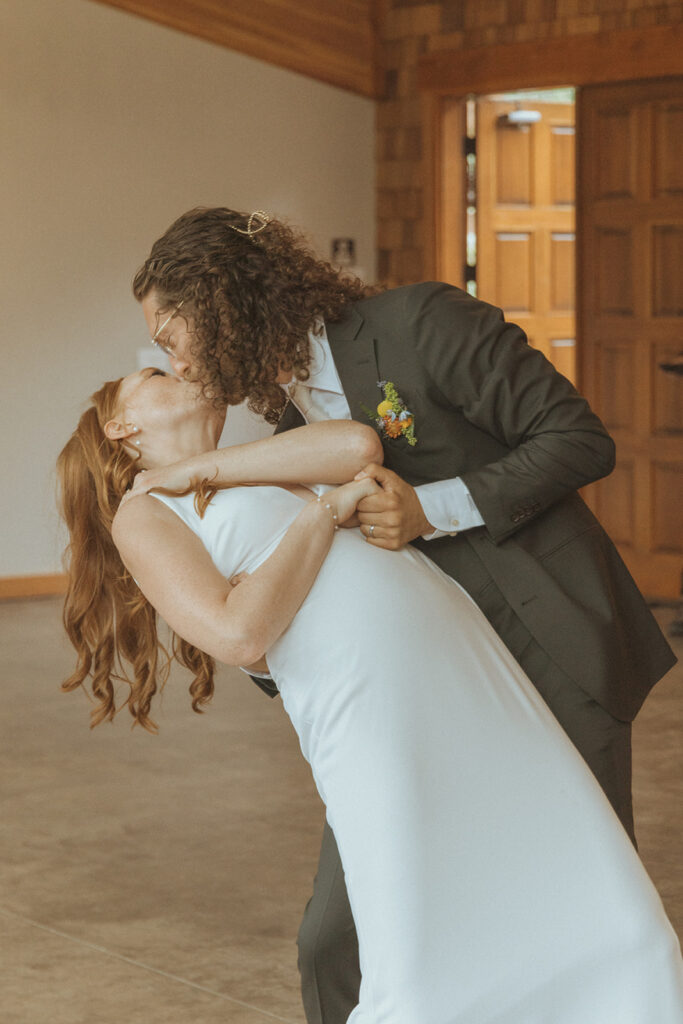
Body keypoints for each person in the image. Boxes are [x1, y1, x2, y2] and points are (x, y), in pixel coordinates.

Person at [128, 207, 677, 1023]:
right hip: (425, 695)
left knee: (578, 914)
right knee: (333, 939)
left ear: (223, 302)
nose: (170, 358)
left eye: (172, 333)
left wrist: (433, 508)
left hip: (550, 642)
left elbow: (575, 438)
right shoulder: (284, 431)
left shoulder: (421, 321)